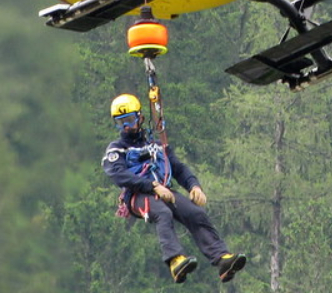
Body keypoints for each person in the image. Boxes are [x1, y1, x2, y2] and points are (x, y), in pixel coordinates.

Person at [103, 93, 247, 284]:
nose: (126, 127)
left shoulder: (156, 144)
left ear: (140, 117)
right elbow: (117, 174)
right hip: (138, 196)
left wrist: (194, 186)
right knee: (163, 213)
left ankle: (222, 259)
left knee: (195, 213)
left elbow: (177, 167)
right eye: (120, 123)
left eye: (129, 120)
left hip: (165, 191)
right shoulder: (117, 149)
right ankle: (174, 261)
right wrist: (152, 186)